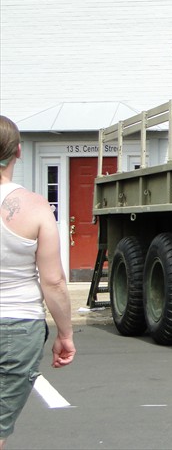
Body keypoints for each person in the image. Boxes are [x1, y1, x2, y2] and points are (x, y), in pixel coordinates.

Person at [0, 116, 76, 449]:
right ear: (18, 151)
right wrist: (65, 333)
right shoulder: (35, 207)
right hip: (19, 326)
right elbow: (54, 281)